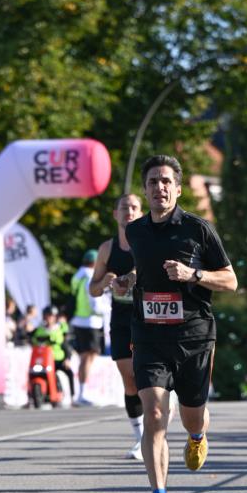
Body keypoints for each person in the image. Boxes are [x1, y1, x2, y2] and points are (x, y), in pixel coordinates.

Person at [112, 154, 237, 493]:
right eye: (152, 182)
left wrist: (193, 274)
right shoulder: (135, 232)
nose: (159, 187)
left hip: (195, 335)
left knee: (191, 414)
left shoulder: (199, 229)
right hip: (149, 335)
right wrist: (129, 280)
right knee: (154, 414)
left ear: (178, 189)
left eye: (166, 181)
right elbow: (144, 270)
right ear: (146, 189)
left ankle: (198, 435)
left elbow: (230, 280)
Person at [89, 193, 146, 459]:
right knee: (129, 379)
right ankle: (140, 437)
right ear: (116, 214)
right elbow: (93, 289)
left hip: (149, 317)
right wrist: (105, 282)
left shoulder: (148, 243)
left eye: (135, 207)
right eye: (124, 207)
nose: (129, 212)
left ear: (141, 212)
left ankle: (153, 430)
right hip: (121, 318)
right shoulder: (106, 249)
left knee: (146, 376)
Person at [70, 249, 109, 405]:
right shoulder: (89, 276)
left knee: (84, 358)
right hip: (90, 321)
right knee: (88, 357)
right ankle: (82, 394)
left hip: (79, 320)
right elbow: (94, 301)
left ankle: (81, 392)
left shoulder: (77, 275)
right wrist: (107, 310)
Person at [31, 305, 75, 400]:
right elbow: (33, 338)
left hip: (58, 359)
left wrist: (67, 358)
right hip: (44, 360)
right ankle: (31, 395)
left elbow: (65, 345)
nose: (49, 318)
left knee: (69, 373)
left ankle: (72, 396)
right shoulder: (40, 329)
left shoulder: (59, 329)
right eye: (47, 315)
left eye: (51, 315)